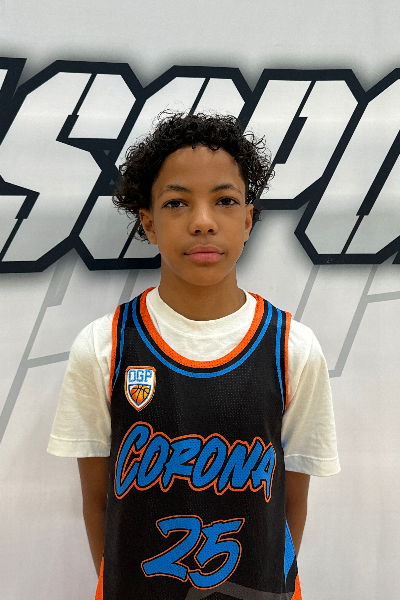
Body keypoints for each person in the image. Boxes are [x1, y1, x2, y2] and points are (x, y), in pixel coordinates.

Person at [47, 112, 340, 600]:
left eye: (225, 201)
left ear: (247, 221)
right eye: (177, 203)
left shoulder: (292, 347)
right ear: (149, 223)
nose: (203, 221)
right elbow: (98, 504)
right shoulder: (104, 346)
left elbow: (291, 506)